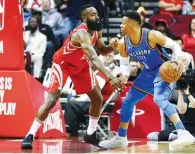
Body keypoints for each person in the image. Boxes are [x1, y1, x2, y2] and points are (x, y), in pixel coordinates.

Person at [21, 4, 123, 149]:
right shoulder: (81, 34)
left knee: (97, 97)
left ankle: (91, 133)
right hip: (63, 64)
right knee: (51, 100)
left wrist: (113, 46)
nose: (97, 16)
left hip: (80, 65)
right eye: (93, 14)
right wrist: (111, 77)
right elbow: (94, 58)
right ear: (84, 18)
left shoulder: (97, 31)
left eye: (96, 14)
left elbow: (102, 50)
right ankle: (29, 134)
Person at [99, 12, 195, 149]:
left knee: (159, 99)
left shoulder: (151, 35)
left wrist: (178, 58)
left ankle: (183, 132)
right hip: (147, 73)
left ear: (132, 24)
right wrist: (125, 76)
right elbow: (125, 65)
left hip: (164, 69)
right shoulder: (122, 43)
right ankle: (121, 137)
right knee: (127, 101)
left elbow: (174, 46)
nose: (120, 26)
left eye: (123, 22)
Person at [147, 71, 195, 142]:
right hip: (185, 126)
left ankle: (184, 137)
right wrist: (180, 93)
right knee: (161, 135)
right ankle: (183, 136)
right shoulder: (188, 92)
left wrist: (188, 94)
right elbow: (181, 111)